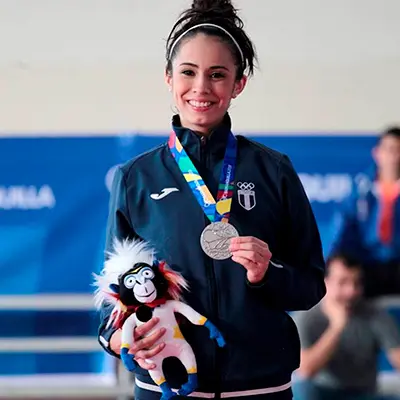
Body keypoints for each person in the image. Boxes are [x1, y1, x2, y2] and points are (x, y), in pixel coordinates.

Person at [97, 1, 326, 399]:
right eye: (188, 72)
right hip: (167, 386)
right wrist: (118, 339)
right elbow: (112, 292)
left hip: (260, 388)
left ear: (239, 83)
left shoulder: (273, 170)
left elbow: (309, 286)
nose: (201, 88)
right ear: (168, 78)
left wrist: (267, 273)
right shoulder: (136, 177)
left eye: (217, 75)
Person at [292, 253, 400, 400]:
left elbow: (397, 357)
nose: (351, 291)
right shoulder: (306, 317)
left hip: (363, 394)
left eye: (357, 283)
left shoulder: (375, 314)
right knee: (301, 389)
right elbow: (306, 370)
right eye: (343, 282)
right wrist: (337, 326)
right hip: (323, 393)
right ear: (326, 282)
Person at [327, 126, 400, 297]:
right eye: (390, 149)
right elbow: (343, 227)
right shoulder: (360, 190)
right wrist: (333, 262)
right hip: (366, 265)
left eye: (399, 151)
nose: (394, 157)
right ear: (377, 153)